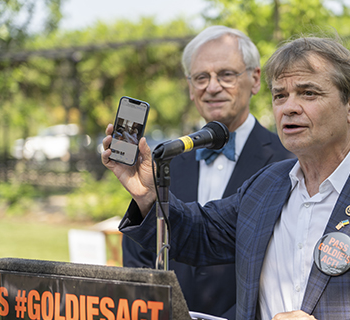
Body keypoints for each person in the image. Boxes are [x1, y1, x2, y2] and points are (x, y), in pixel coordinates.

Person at [105, 37, 350, 319]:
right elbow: (200, 235)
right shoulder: (268, 185)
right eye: (281, 95)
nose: (289, 107)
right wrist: (148, 197)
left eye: (308, 93)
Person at [113, 26, 294, 319]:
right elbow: (138, 257)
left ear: (255, 79)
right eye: (201, 77)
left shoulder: (288, 162)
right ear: (189, 86)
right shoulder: (165, 161)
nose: (212, 87)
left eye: (226, 74)